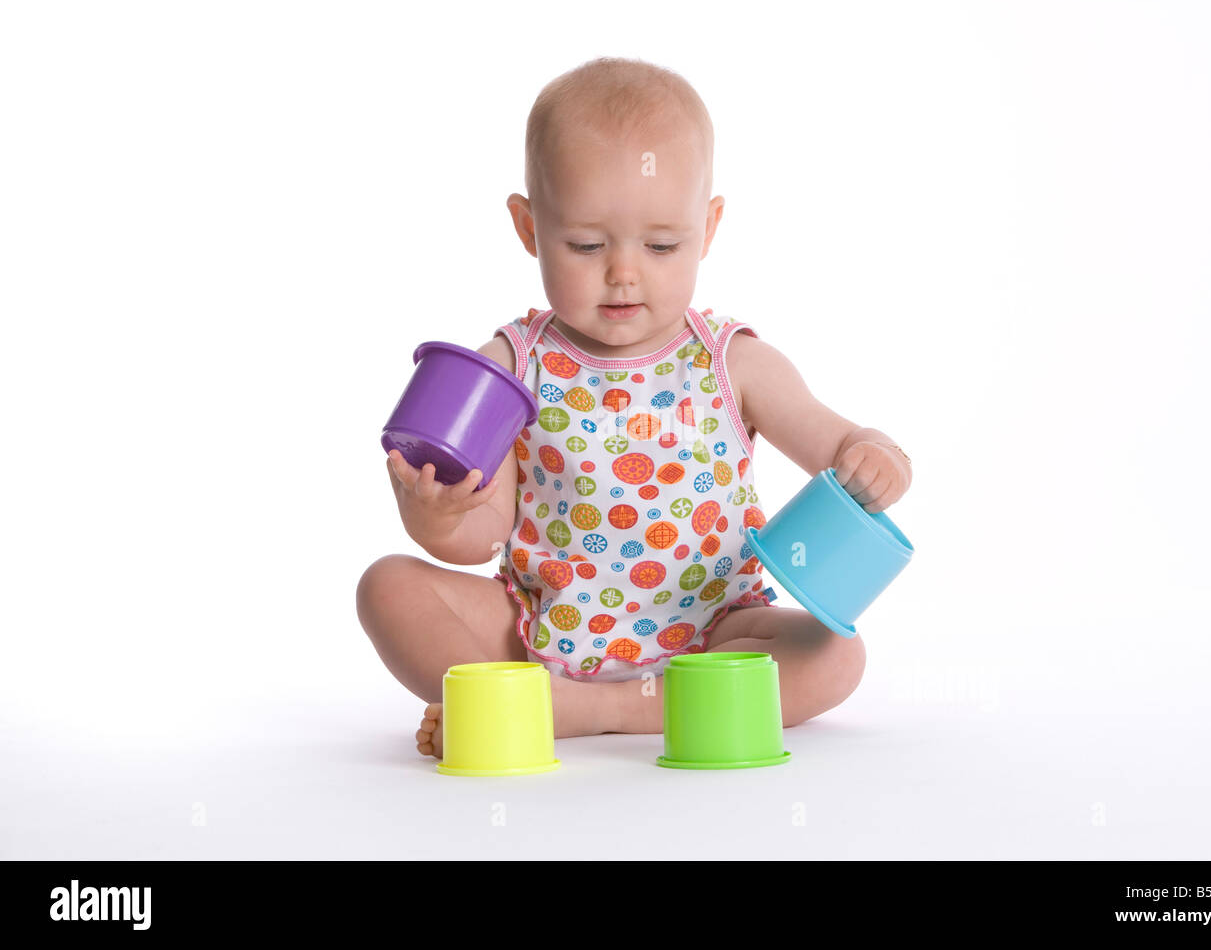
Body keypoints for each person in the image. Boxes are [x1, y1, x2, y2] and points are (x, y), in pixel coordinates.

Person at [356, 57, 912, 758]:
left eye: (661, 244)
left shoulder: (732, 361)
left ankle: (565, 711)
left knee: (837, 657)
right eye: (585, 244)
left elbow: (843, 447)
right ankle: (532, 691)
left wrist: (880, 458)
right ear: (529, 229)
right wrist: (434, 513)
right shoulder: (510, 366)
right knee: (388, 588)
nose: (623, 272)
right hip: (540, 629)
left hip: (713, 636)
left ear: (707, 229)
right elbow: (482, 535)